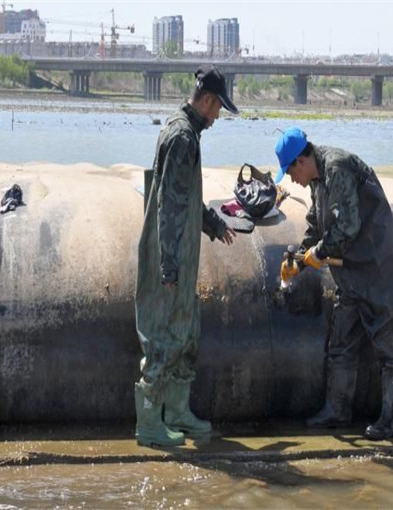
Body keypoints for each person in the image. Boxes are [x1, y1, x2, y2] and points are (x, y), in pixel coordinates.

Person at [276, 127, 393, 441]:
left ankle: (390, 421)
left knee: (388, 346)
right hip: (349, 271)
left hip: (375, 265)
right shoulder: (318, 180)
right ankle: (337, 410)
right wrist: (300, 256)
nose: (292, 180)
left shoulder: (337, 168)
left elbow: (348, 225)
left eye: (291, 172)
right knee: (341, 342)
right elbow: (316, 222)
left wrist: (318, 253)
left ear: (301, 161)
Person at [134, 65, 238, 447]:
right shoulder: (182, 136)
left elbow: (185, 196)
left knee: (185, 333)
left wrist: (213, 224)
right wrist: (167, 265)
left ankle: (177, 412)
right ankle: (149, 424)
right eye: (217, 110)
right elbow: (169, 205)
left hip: (180, 252)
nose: (217, 118)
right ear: (207, 100)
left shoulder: (186, 131)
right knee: (163, 337)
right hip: (171, 253)